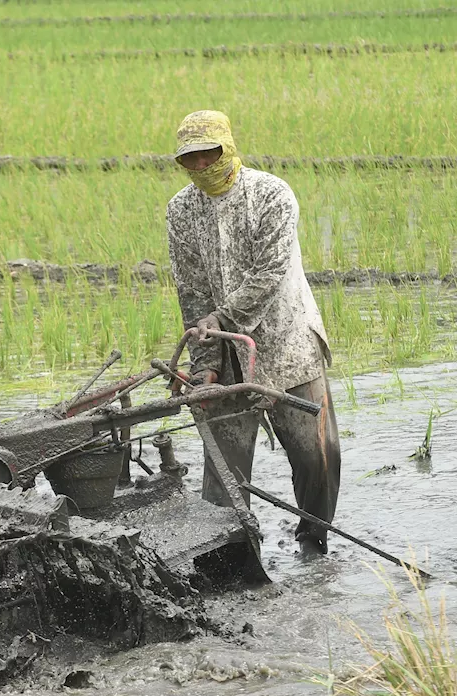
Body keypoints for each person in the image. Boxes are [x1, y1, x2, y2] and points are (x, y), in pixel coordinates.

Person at [165, 109, 340, 557]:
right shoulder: (182, 210)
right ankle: (235, 554)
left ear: (227, 147)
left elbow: (270, 273)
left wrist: (222, 320)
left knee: (314, 456)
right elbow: (191, 287)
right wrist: (203, 364)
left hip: (287, 339)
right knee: (224, 468)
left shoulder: (272, 195)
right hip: (224, 353)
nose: (202, 167)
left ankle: (313, 543)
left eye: (209, 155)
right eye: (191, 160)